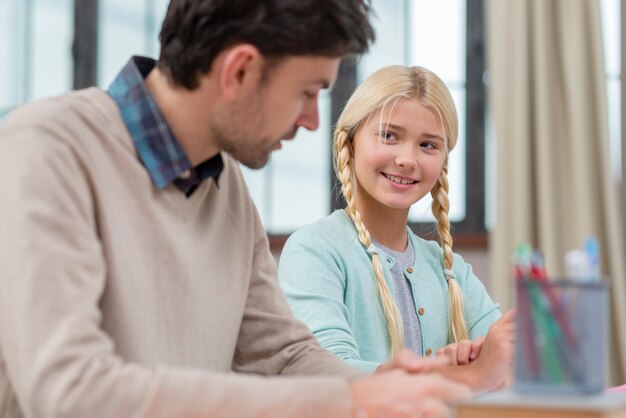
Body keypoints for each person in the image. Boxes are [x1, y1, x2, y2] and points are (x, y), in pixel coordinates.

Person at [0, 2, 474, 418]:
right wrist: (343, 402)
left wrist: (377, 388)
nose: (312, 120)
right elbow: (70, 392)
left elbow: (281, 355)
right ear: (240, 71)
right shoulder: (47, 150)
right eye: (307, 91)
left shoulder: (224, 185)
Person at [278, 65, 515, 392]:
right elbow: (327, 372)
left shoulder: (449, 269)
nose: (407, 159)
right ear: (350, 141)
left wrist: (493, 355)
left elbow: (507, 368)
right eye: (389, 135)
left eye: (428, 145)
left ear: (444, 160)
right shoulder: (314, 249)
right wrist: (458, 374)